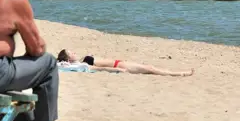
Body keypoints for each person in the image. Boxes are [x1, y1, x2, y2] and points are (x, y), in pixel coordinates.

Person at [57, 49, 194, 77]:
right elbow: (101, 68)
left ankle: (176, 73)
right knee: (150, 68)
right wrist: (118, 70)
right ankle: (179, 73)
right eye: (71, 53)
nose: (75, 52)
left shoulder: (83, 60)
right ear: (69, 59)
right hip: (119, 65)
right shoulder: (84, 64)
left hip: (119, 62)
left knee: (149, 68)